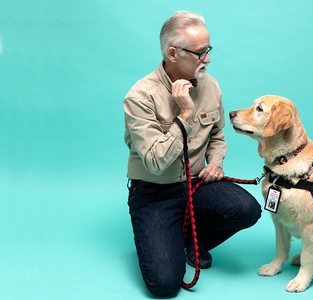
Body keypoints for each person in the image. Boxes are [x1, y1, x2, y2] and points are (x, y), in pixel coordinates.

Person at [123, 11, 261, 297]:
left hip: (198, 184)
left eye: (208, 50)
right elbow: (156, 163)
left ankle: (189, 241)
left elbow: (218, 136)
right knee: (164, 285)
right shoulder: (139, 97)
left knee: (248, 209)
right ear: (173, 53)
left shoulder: (211, 85)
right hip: (154, 193)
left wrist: (217, 163)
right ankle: (167, 237)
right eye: (200, 53)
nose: (207, 59)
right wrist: (184, 115)